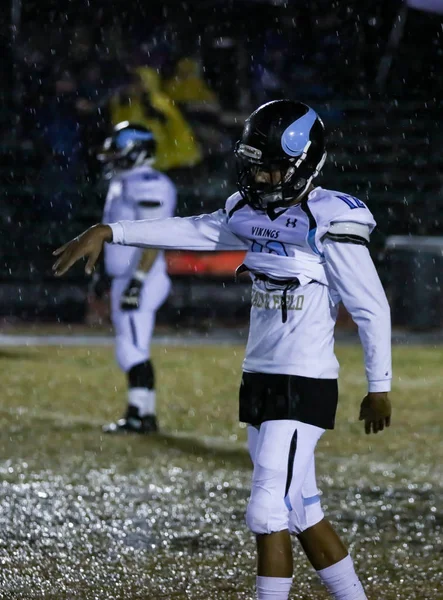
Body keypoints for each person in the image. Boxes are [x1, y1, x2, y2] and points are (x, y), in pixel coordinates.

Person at [52, 99, 392, 600]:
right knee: (300, 509)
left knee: (265, 510)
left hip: (305, 380)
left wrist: (379, 386)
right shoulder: (246, 211)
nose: (261, 176)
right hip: (259, 375)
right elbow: (193, 228)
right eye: (256, 165)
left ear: (304, 163)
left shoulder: (329, 219)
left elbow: (371, 308)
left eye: (273, 166)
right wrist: (111, 231)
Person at [96, 121, 177, 434]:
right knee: (132, 346)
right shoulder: (125, 181)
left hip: (142, 275)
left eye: (119, 150)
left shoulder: (148, 182)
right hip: (127, 275)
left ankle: (138, 414)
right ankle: (144, 413)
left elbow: (153, 236)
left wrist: (138, 279)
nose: (113, 157)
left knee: (131, 348)